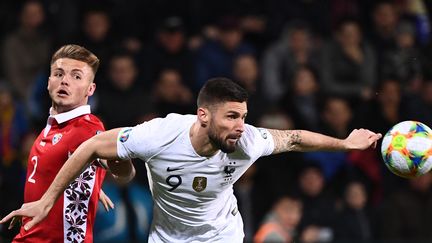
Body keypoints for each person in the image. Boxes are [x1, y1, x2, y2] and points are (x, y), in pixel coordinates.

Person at [0, 77, 382, 242]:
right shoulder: (160, 135)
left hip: (223, 237)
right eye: (232, 117)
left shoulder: (248, 141)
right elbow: (92, 145)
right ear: (203, 115)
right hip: (168, 238)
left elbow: (295, 138)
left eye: (244, 116)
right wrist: (47, 200)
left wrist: (345, 143)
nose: (240, 126)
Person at [3, 44, 135, 243]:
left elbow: (124, 173)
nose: (65, 81)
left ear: (90, 89)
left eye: (76, 76)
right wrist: (92, 184)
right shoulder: (51, 125)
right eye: (58, 74)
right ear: (48, 82)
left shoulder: (89, 129)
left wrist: (117, 164)